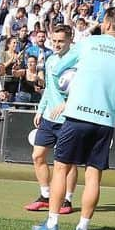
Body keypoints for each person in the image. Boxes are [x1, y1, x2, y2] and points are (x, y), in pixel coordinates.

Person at [33, 6, 115, 230]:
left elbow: (58, 69)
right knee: (93, 175)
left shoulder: (89, 43)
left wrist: (65, 96)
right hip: (105, 120)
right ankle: (83, 228)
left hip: (77, 115)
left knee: (61, 168)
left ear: (109, 24)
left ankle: (52, 223)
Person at [25, 25, 78, 214]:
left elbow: (81, 89)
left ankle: (67, 200)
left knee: (66, 163)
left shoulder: (78, 60)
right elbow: (48, 88)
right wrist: (40, 110)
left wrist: (68, 103)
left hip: (69, 119)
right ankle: (46, 196)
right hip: (48, 118)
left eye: (60, 41)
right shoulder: (50, 60)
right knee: (37, 156)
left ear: (70, 40)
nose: (56, 44)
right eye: (54, 41)